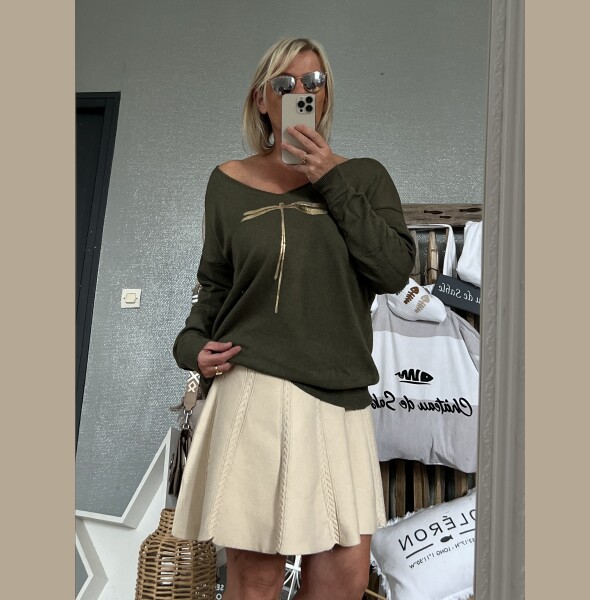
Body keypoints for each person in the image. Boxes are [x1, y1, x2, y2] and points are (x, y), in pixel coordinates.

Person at [170, 37, 415, 600]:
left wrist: (328, 176)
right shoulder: (227, 181)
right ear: (262, 99)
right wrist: (191, 346)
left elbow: (392, 270)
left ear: (326, 96)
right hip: (254, 385)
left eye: (314, 81)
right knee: (256, 578)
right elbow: (215, 284)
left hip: (340, 391)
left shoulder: (364, 176)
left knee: (344, 577)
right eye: (284, 83)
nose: (300, 91)